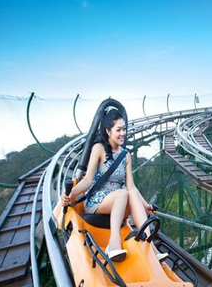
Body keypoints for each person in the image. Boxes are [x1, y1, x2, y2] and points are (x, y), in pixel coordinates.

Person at [61, 108, 167, 262]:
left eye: (124, 129)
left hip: (119, 201)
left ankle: (151, 247)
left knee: (128, 192)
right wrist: (70, 194)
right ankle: (114, 242)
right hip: (97, 202)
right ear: (108, 131)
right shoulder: (98, 148)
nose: (123, 133)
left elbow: (131, 186)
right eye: (118, 130)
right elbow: (88, 180)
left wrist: (146, 206)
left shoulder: (126, 155)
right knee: (123, 193)